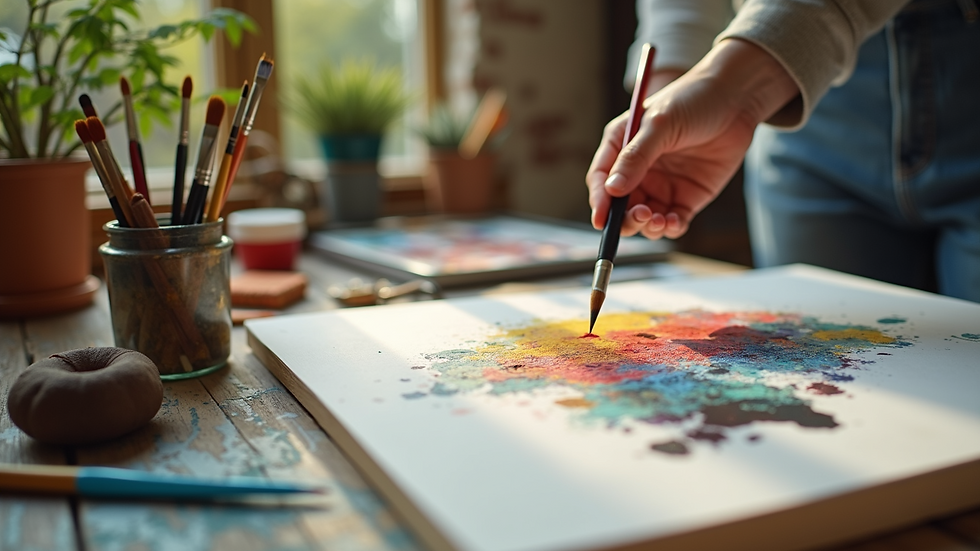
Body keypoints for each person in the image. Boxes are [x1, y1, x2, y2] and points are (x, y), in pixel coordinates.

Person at [586, 0, 980, 302]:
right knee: (821, 357)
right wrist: (670, 91)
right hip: (799, 102)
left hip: (779, 57)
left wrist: (731, 85)